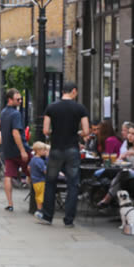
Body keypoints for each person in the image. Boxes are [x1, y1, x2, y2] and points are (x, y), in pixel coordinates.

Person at [35, 81, 89, 227]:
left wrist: (55, 132)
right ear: (73, 91)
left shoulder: (52, 107)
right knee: (73, 184)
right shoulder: (80, 108)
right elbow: (86, 131)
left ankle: (47, 216)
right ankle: (69, 220)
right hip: (72, 149)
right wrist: (77, 132)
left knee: (51, 182)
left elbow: (45, 130)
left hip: (56, 149)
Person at [96, 123, 134, 208]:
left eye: (133, 134)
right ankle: (109, 199)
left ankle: (107, 198)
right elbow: (123, 160)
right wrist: (120, 160)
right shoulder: (128, 146)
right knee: (119, 174)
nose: (129, 136)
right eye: (129, 133)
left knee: (122, 175)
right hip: (132, 171)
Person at [0, 88, 32, 212]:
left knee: (8, 175)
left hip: (8, 150)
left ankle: (10, 204)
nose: (20, 101)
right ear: (10, 100)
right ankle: (39, 200)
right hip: (19, 150)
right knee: (34, 172)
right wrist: (23, 150)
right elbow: (15, 132)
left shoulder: (3, 112)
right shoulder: (16, 114)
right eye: (17, 99)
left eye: (21, 99)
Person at [29, 142, 49, 211]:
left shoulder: (33, 159)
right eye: (44, 150)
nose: (45, 152)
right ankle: (40, 210)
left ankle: (39, 209)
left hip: (35, 180)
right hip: (41, 181)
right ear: (38, 151)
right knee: (41, 196)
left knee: (38, 196)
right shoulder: (40, 161)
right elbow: (45, 171)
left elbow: (29, 167)